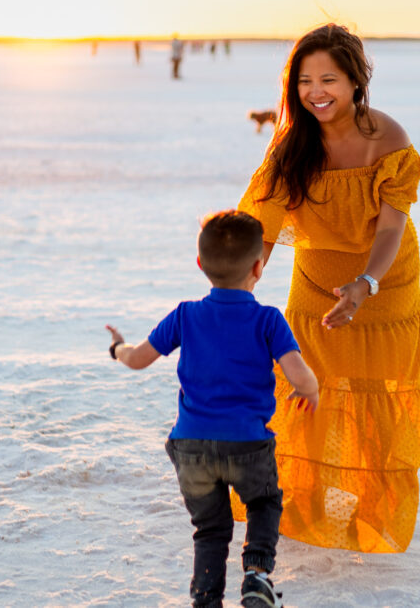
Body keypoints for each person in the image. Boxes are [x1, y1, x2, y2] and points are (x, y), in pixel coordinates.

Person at [235, 23, 420, 554]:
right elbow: (265, 224)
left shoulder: (387, 139)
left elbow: (391, 226)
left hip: (384, 283)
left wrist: (366, 282)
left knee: (373, 393)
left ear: (355, 81)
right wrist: (241, 286)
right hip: (315, 283)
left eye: (329, 80)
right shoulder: (293, 143)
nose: (316, 92)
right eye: (304, 81)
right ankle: (302, 503)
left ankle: (373, 508)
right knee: (304, 391)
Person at [106, 209, 319, 608]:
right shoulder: (268, 320)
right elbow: (299, 375)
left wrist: (117, 347)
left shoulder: (185, 315)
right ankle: (256, 576)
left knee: (210, 528)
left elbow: (137, 359)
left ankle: (206, 598)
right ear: (259, 266)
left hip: (191, 446)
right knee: (263, 502)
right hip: (248, 444)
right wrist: (313, 390)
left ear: (201, 264)